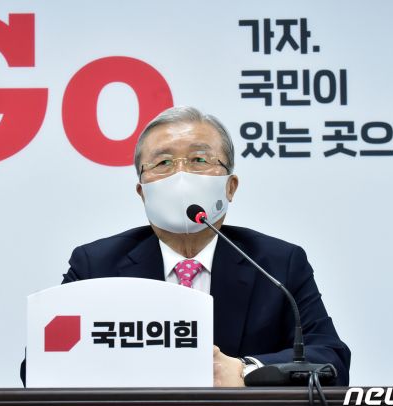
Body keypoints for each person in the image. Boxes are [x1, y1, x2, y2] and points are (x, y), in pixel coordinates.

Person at [22, 106, 350, 387]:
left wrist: (245, 371)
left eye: (199, 159)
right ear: (142, 192)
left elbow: (330, 360)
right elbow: (38, 365)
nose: (181, 176)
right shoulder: (97, 265)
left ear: (230, 187)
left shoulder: (277, 263)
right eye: (163, 163)